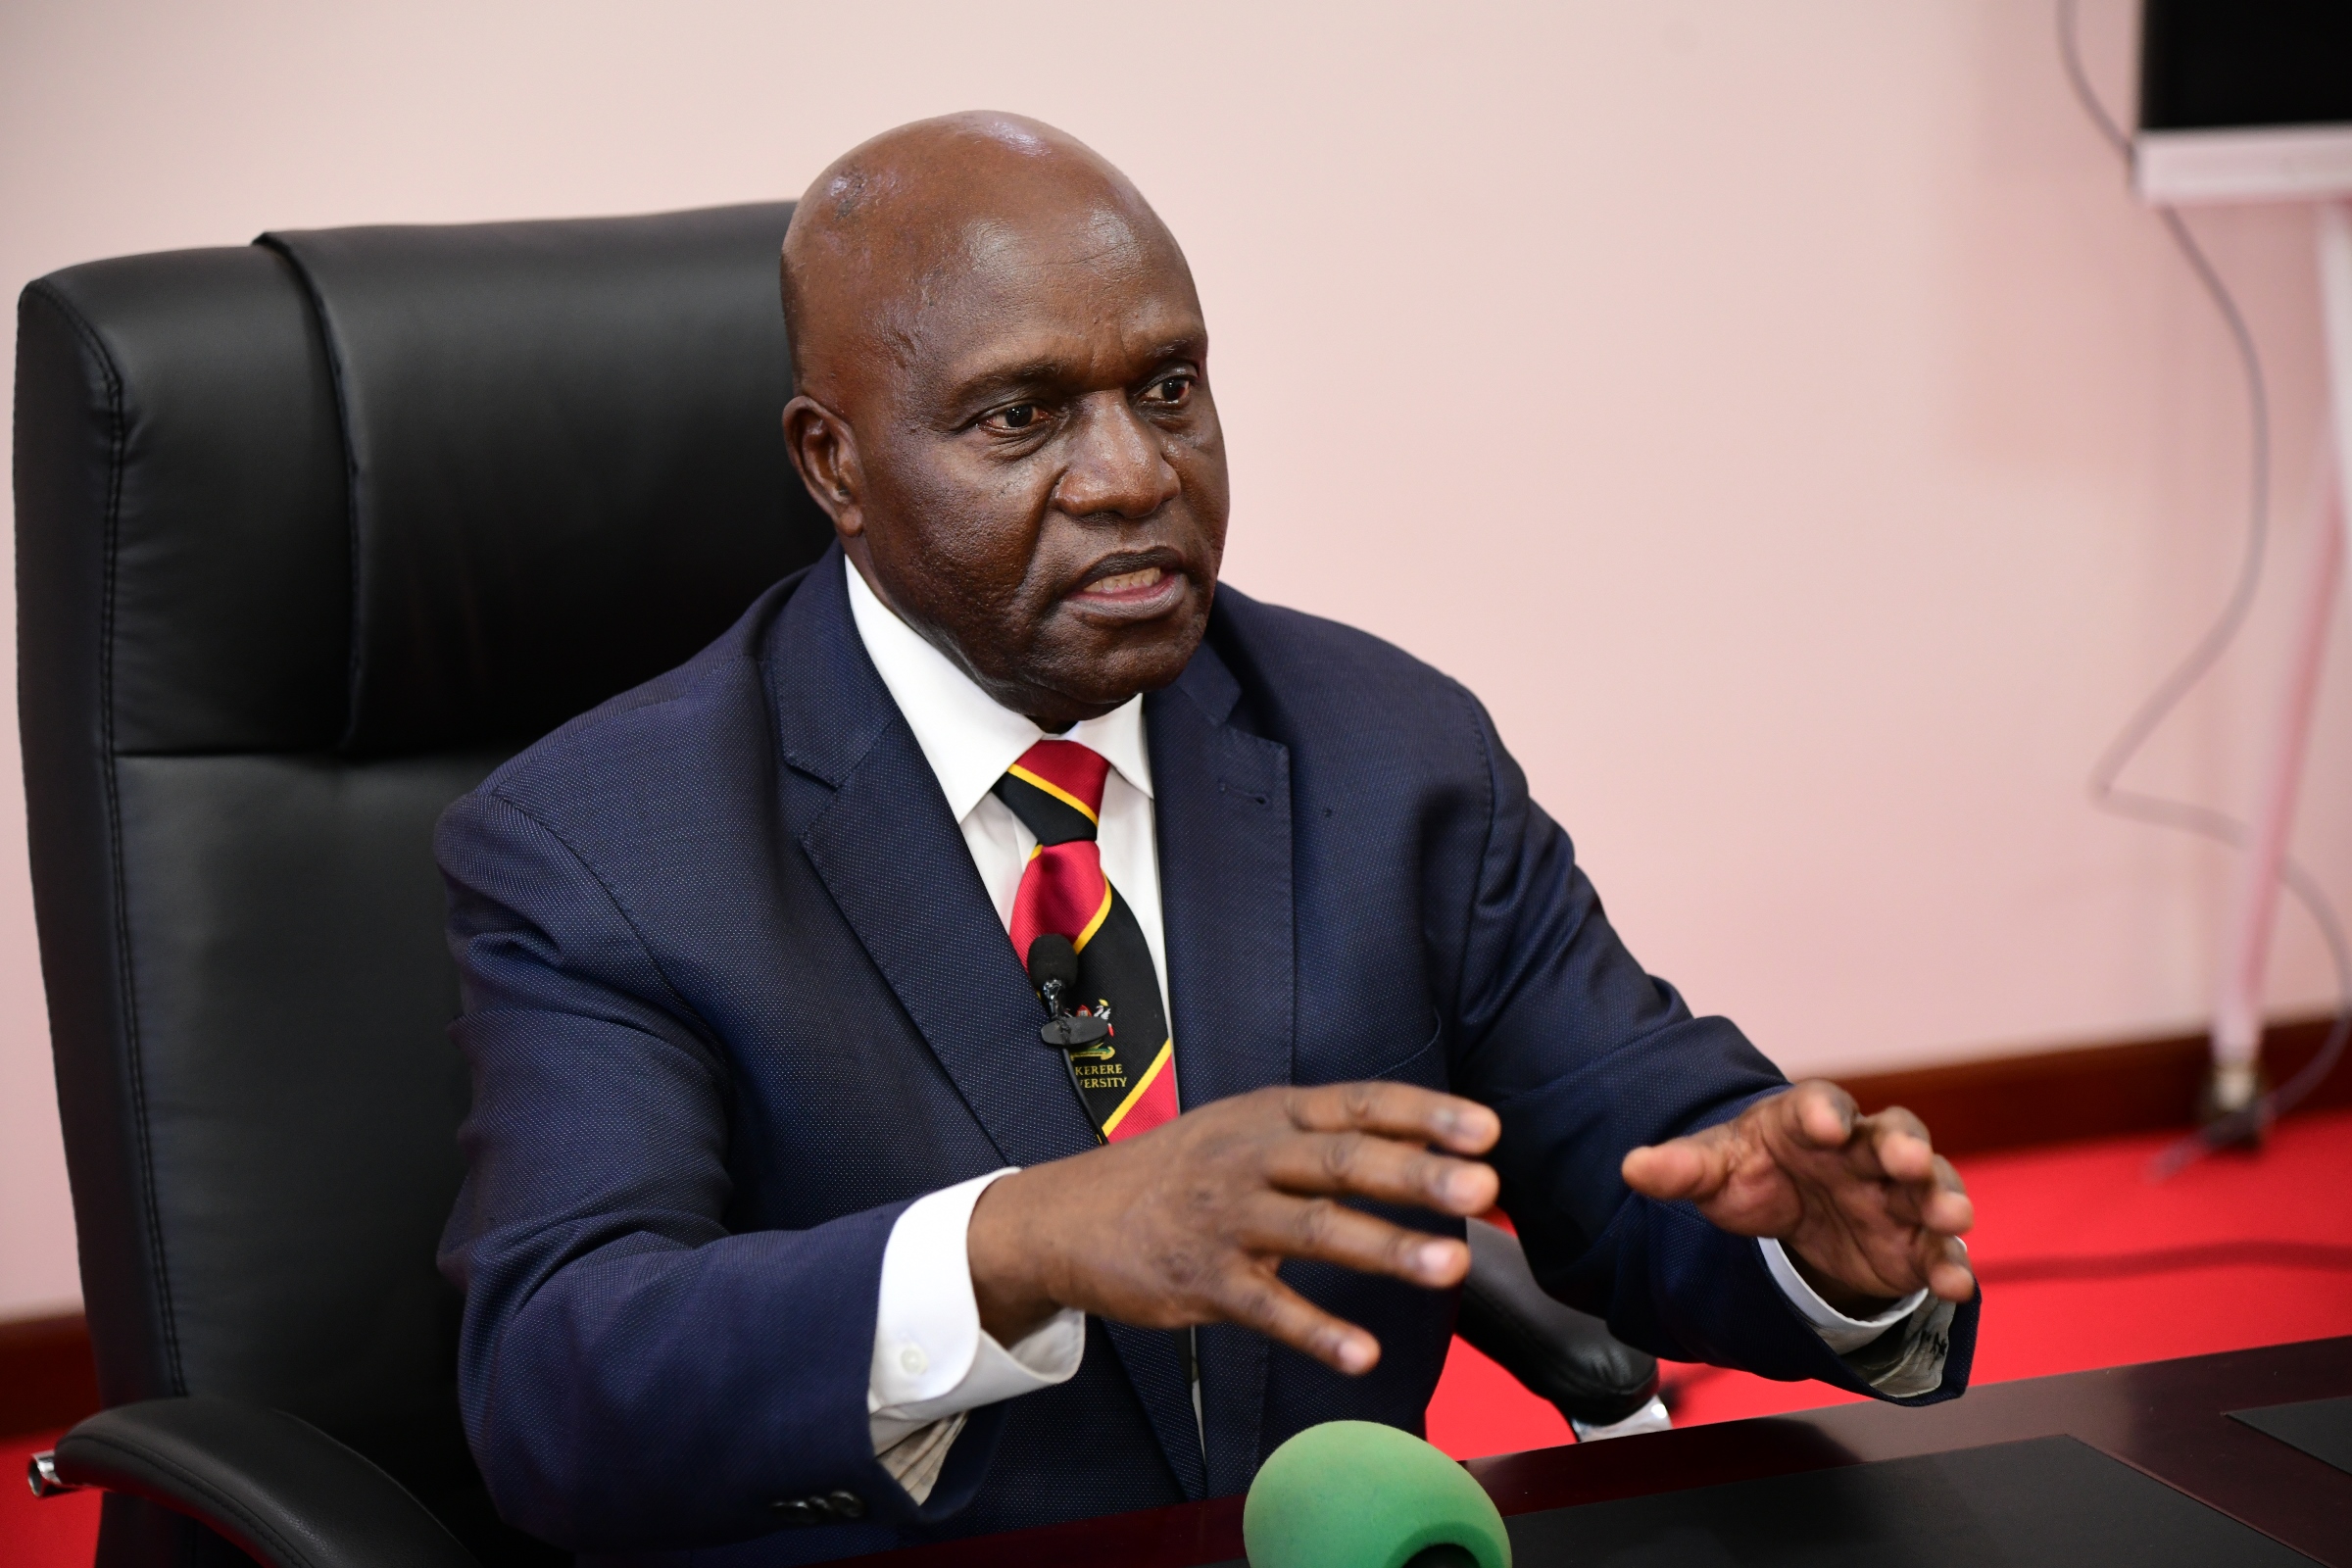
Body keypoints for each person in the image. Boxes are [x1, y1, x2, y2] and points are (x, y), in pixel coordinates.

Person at [435, 112, 1978, 1564]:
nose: (1131, 475)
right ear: (833, 463)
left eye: (1167, 386)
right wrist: (1019, 1241)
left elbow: (1645, 1154)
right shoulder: (603, 846)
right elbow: (561, 1386)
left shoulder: (1389, 748)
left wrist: (1823, 1255)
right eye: (1020, 416)